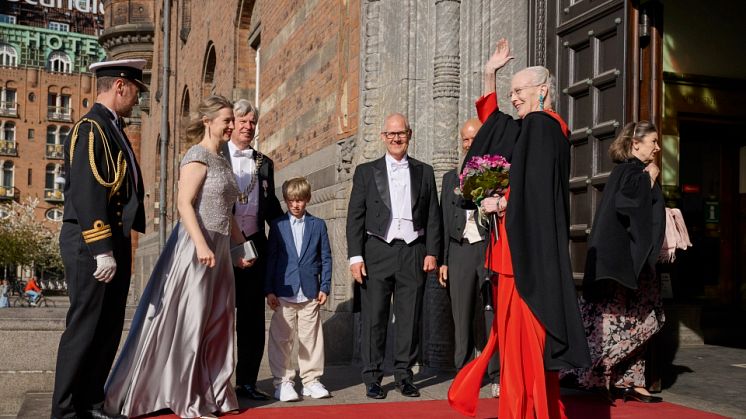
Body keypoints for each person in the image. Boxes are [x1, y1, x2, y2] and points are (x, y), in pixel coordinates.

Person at [448, 39, 590, 419]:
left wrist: (503, 201)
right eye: (510, 92)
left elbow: (536, 188)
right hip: (517, 254)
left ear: (542, 91)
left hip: (524, 257)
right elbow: (497, 129)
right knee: (515, 344)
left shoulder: (543, 126)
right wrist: (488, 74)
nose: (513, 98)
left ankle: (525, 412)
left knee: (523, 344)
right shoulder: (536, 127)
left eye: (518, 91)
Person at [105, 95, 251, 418]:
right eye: (226, 120)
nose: (231, 126)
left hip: (221, 248)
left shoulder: (223, 160)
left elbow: (228, 213)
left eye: (232, 120)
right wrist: (201, 245)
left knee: (220, 323)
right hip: (196, 247)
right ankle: (187, 398)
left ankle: (213, 393)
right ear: (208, 121)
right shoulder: (196, 156)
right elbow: (184, 204)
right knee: (192, 321)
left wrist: (243, 249)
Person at [52, 59, 146, 419]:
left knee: (107, 328)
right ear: (120, 86)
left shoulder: (112, 126)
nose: (137, 99)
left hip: (112, 241)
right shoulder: (92, 128)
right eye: (135, 90)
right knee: (84, 328)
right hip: (92, 243)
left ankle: (90, 401)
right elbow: (89, 191)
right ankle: (63, 411)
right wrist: (102, 249)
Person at [564, 121, 665, 403]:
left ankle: (630, 379)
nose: (657, 148)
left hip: (634, 260)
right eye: (653, 141)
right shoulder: (632, 170)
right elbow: (627, 204)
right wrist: (649, 180)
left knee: (638, 315)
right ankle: (600, 368)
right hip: (624, 261)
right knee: (643, 318)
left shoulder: (634, 170)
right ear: (636, 143)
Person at [346, 113, 442, 399]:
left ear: (409, 135)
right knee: (375, 317)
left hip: (413, 250)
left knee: (410, 318)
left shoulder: (425, 171)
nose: (396, 138)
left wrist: (433, 251)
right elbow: (355, 218)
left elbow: (434, 216)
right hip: (377, 251)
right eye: (391, 134)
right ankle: (373, 377)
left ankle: (404, 375)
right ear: (383, 137)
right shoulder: (366, 171)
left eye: (401, 133)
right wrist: (355, 258)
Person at [221, 99, 283, 400]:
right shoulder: (216, 156)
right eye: (242, 121)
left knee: (252, 319)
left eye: (252, 122)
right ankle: (217, 382)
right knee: (219, 316)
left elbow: (272, 207)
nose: (248, 127)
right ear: (231, 123)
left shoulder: (264, 163)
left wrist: (294, 230)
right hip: (222, 245)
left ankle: (246, 381)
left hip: (255, 244)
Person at [438, 118, 500, 398]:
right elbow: (440, 221)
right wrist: (443, 260)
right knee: (460, 315)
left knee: (492, 314)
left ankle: (496, 374)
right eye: (465, 139)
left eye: (474, 139)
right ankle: (463, 374)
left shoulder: (498, 172)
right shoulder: (451, 177)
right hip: (459, 249)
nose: (469, 144)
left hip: (487, 248)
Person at [264, 177, 332, 402]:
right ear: (285, 200)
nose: (296, 205)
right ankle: (282, 382)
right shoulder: (277, 225)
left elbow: (326, 257)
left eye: (300, 200)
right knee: (282, 339)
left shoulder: (318, 225)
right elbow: (271, 259)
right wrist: (269, 290)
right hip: (283, 291)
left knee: (311, 339)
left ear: (308, 200)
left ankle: (311, 381)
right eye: (291, 200)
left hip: (310, 291)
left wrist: (325, 285)